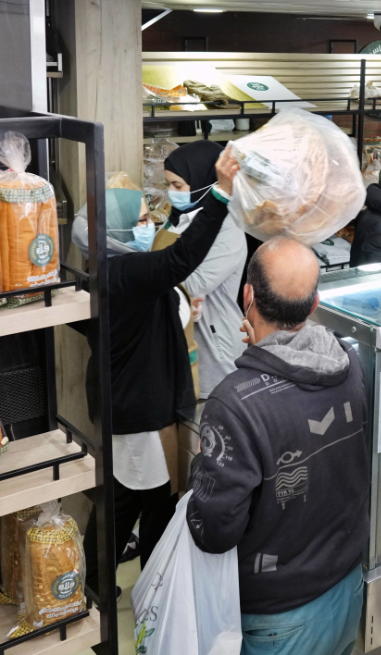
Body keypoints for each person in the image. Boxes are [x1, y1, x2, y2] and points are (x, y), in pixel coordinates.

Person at [186, 237, 369, 655]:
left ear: (247, 296)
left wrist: (202, 470)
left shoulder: (233, 404)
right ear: (314, 302)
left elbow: (216, 531)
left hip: (277, 616)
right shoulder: (349, 363)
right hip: (345, 587)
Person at [73, 152, 238, 594]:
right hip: (140, 412)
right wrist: (220, 193)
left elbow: (162, 293)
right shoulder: (124, 271)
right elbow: (178, 262)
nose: (151, 222)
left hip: (124, 404)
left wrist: (179, 305)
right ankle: (146, 591)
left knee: (126, 499)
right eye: (142, 216)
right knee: (149, 503)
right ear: (120, 224)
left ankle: (97, 585)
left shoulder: (101, 267)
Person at [163, 140, 248, 397]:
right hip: (179, 333)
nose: (171, 192)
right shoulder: (178, 218)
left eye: (177, 185)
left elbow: (192, 284)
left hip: (214, 343)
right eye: (168, 184)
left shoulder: (229, 228)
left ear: (203, 181)